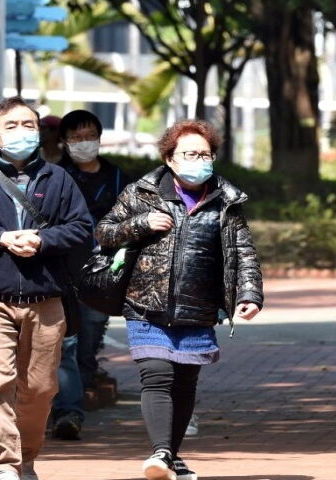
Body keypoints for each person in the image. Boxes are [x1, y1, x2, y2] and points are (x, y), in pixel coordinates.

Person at [95, 120, 263, 480]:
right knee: (156, 374)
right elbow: (105, 232)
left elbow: (243, 252)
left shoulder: (227, 201)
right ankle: (160, 453)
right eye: (189, 153)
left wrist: (249, 294)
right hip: (145, 304)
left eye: (205, 154)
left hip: (198, 306)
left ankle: (170, 456)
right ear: (170, 159)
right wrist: (141, 224)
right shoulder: (142, 193)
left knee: (185, 384)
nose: (198, 160)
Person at [0, 96, 92, 480]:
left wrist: (42, 241)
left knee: (40, 390)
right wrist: (1, 237)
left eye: (29, 125)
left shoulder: (59, 178)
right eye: (11, 125)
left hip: (45, 298)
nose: (22, 132)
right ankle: (5, 466)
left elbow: (80, 228)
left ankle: (26, 460)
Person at [50, 110, 130, 441]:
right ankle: (68, 412)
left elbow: (132, 219)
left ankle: (74, 405)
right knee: (64, 343)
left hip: (101, 273)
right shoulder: (54, 176)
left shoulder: (116, 178)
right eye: (76, 137)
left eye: (89, 136)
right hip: (62, 271)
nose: (84, 143)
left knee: (86, 344)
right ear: (64, 142)